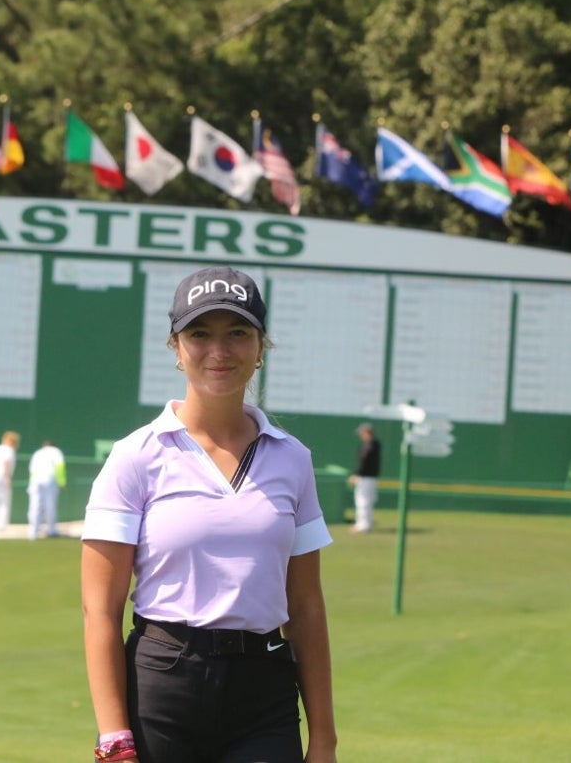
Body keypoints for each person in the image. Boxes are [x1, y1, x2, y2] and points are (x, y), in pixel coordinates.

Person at [80, 265, 338, 763]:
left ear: (261, 347)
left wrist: (324, 738)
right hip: (163, 684)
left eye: (238, 333)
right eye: (200, 334)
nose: (219, 351)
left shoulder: (293, 459)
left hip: (264, 689)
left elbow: (305, 608)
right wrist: (114, 736)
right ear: (176, 348)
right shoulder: (135, 456)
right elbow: (100, 611)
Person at [27, 439, 66, 540]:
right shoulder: (56, 452)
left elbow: (31, 469)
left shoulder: (37, 453)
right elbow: (59, 466)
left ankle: (33, 532)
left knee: (34, 506)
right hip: (50, 480)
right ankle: (51, 530)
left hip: (35, 480)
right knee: (50, 506)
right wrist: (62, 482)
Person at [348, 422, 381, 533]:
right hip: (370, 478)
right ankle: (364, 523)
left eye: (362, 433)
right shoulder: (374, 445)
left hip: (365, 478)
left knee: (363, 501)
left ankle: (363, 525)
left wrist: (356, 474)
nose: (361, 435)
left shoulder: (369, 446)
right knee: (366, 501)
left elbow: (364, 462)